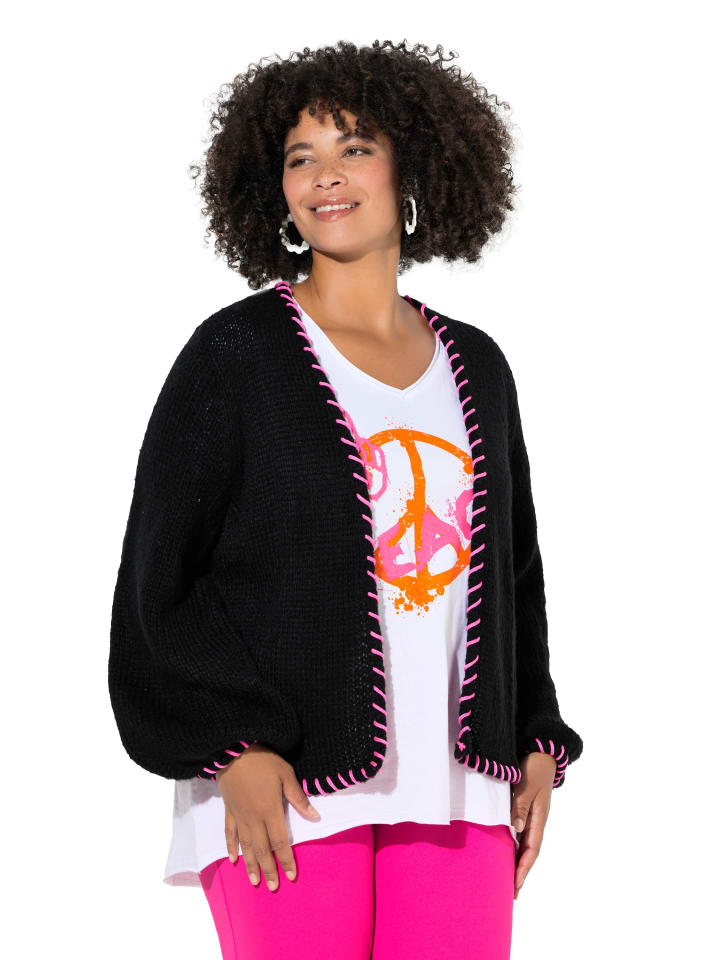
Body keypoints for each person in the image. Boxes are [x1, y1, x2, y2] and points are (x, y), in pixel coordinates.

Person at [108, 39, 584, 960]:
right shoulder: (236, 356)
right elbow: (159, 579)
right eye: (301, 157)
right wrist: (232, 745)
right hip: (285, 783)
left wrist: (534, 733)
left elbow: (514, 577)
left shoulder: (478, 367)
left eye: (355, 148)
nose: (326, 176)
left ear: (413, 167)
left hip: (460, 785)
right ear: (276, 188)